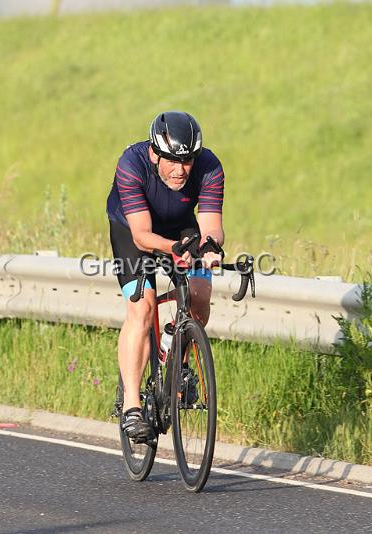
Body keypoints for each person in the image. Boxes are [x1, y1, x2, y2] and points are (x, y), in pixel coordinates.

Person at [106, 111, 225, 440]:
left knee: (199, 296)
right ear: (155, 153)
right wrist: (173, 249)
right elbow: (142, 235)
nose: (181, 170)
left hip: (181, 226)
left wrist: (211, 247)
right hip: (133, 229)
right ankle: (131, 406)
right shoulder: (131, 164)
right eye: (172, 160)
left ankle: (177, 356)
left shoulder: (210, 166)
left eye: (188, 161)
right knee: (142, 308)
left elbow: (211, 225)